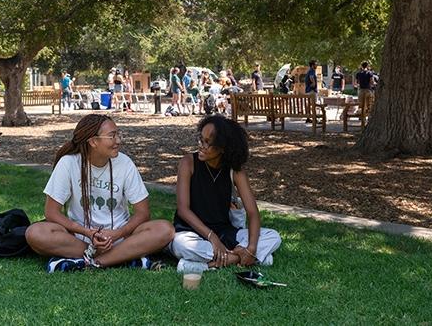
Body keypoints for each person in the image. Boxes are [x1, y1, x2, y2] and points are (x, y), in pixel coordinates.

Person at [24, 115, 174, 272]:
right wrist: (87, 233)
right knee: (35, 233)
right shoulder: (68, 163)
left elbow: (143, 213)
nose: (118, 141)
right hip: (80, 238)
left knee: (165, 229)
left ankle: (92, 262)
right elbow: (51, 212)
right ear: (93, 142)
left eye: (118, 134)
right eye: (112, 136)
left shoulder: (125, 163)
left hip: (121, 237)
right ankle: (123, 258)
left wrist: (116, 234)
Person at [170, 115, 281, 273]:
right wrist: (212, 238)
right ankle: (246, 258)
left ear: (222, 147)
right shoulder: (188, 163)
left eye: (207, 142)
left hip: (225, 233)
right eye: (200, 139)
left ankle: (209, 264)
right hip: (191, 232)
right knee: (181, 245)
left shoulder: (234, 170)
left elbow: (253, 212)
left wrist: (251, 247)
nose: (201, 145)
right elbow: (183, 209)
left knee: (273, 236)